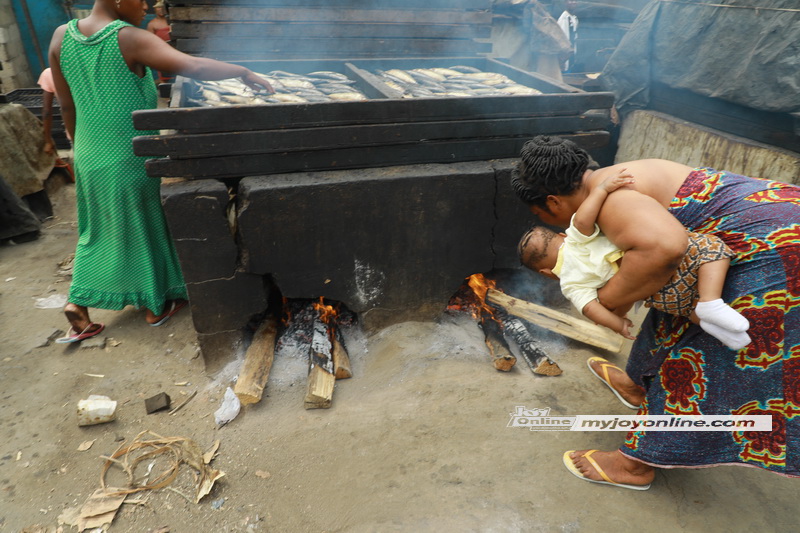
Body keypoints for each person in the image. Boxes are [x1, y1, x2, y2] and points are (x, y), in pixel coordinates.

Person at [512, 135, 800, 487]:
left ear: (553, 201)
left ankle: (637, 464)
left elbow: (665, 247)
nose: (549, 222)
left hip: (780, 252)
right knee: (667, 298)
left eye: (540, 213)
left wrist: (607, 300)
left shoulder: (612, 202)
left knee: (703, 356)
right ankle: (638, 384)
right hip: (775, 217)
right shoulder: (608, 181)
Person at [48, 0, 274, 343]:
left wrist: (79, 145)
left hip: (90, 152)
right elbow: (193, 65)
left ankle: (78, 302)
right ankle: (156, 305)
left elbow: (67, 104)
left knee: (97, 228)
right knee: (146, 227)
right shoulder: (128, 38)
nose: (145, 6)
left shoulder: (61, 36)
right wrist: (241, 71)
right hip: (131, 152)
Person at [517, 170, 751, 349]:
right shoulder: (576, 238)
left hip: (659, 294)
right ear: (560, 236)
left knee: (684, 308)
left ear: (546, 273)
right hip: (670, 267)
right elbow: (582, 219)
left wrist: (617, 324)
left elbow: (591, 309)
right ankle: (711, 301)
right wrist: (602, 189)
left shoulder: (570, 284)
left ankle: (712, 325)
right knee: (711, 247)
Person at [36, 67, 75, 182]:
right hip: (104, 127)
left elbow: (47, 111)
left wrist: (48, 140)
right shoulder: (84, 67)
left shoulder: (49, 73)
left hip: (77, 132)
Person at [145, 0, 172, 84]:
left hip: (173, 49)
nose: (160, 10)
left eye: (162, 8)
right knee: (163, 76)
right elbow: (149, 42)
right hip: (160, 52)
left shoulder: (170, 21)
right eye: (158, 8)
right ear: (155, 9)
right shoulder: (152, 24)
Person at [556, 0, 578, 72]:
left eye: (575, 1)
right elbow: (562, 38)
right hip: (565, 52)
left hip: (572, 51)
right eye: (570, 1)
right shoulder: (564, 18)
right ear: (565, 3)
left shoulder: (574, 18)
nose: (573, 2)